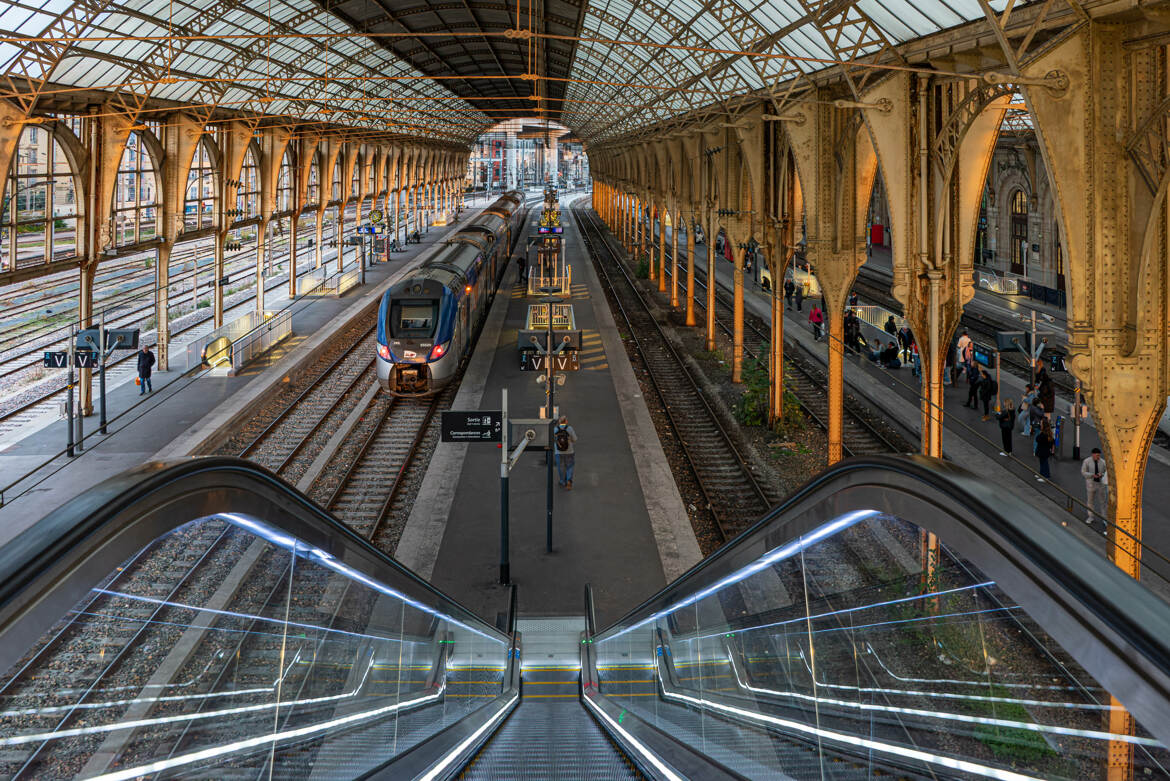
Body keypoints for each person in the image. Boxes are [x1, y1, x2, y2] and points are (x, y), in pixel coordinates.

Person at [1081, 447, 1108, 525]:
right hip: (1091, 484)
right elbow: (1083, 472)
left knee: (1103, 502)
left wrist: (1101, 474)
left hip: (1100, 484)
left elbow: (1106, 472)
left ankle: (1104, 518)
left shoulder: (1103, 462)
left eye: (1099, 456)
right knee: (1090, 501)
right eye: (1096, 456)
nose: (1098, 457)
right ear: (1092, 455)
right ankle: (1090, 516)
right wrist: (1092, 475)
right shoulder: (1087, 461)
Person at [553, 415, 578, 489]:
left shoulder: (555, 429)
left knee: (561, 467)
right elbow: (575, 439)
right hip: (569, 451)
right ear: (566, 421)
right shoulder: (569, 428)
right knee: (569, 466)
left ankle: (562, 481)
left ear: (559, 422)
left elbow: (552, 440)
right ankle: (569, 480)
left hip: (558, 452)